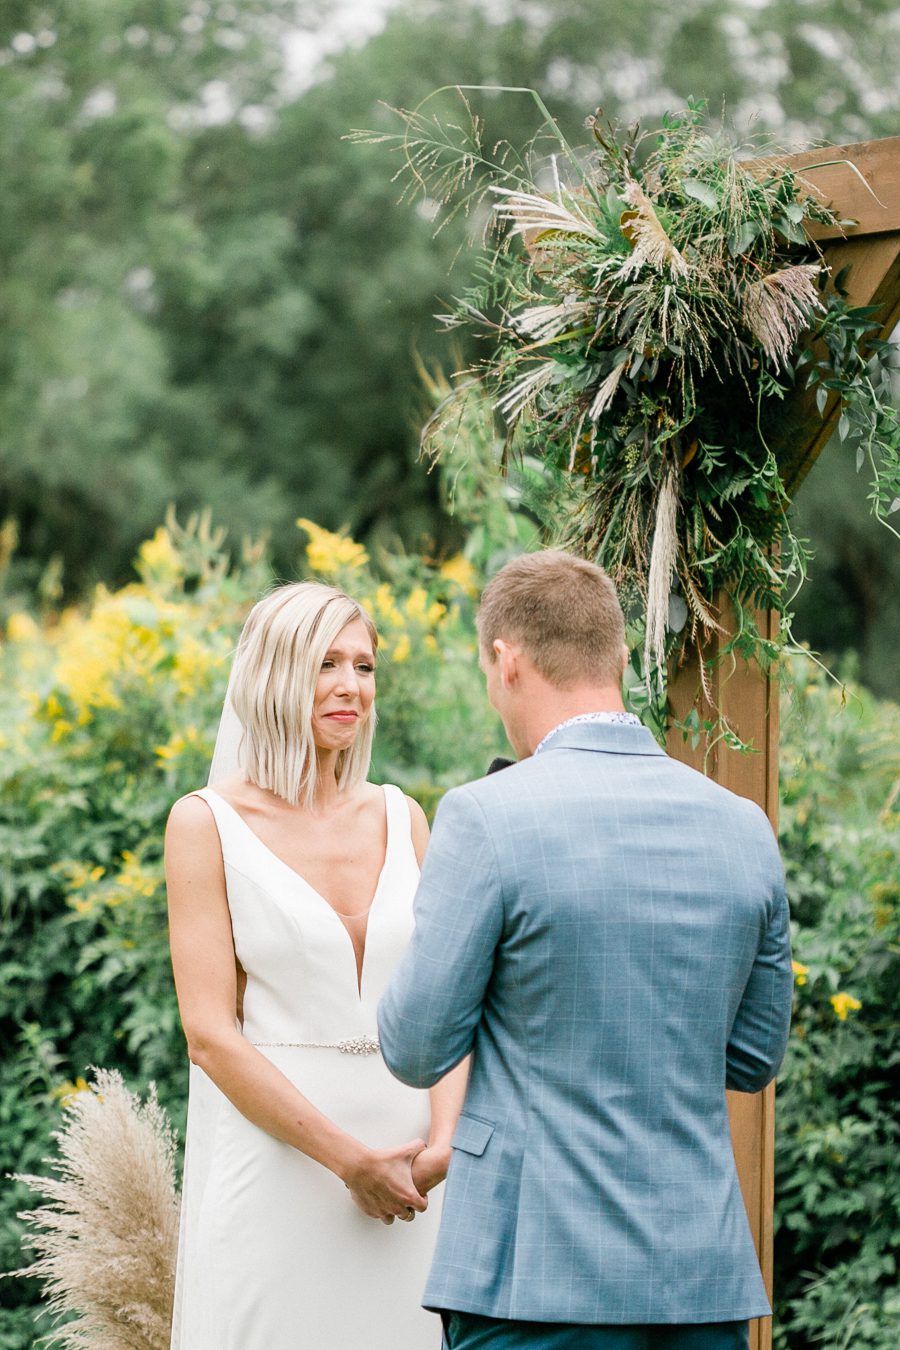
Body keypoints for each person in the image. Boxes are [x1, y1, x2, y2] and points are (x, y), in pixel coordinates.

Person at [378, 550, 794, 1350]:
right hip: (699, 1284)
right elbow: (752, 1057)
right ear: (617, 657)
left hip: (534, 1280)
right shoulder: (743, 827)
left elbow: (417, 1045)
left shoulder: (485, 817)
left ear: (507, 660)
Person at [165, 581, 465, 1350]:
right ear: (271, 674)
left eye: (364, 667)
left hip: (412, 1179)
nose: (350, 686)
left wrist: (441, 1145)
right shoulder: (206, 825)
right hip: (280, 1168)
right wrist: (348, 1161)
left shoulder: (405, 817)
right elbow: (209, 1035)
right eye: (325, 662)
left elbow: (445, 1003)